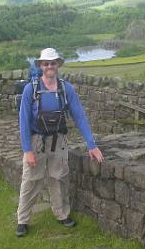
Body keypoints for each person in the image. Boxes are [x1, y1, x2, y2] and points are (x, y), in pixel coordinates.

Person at [16, 47, 104, 237]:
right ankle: (22, 220)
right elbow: (23, 120)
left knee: (59, 178)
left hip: (58, 140)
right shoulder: (30, 89)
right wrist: (27, 149)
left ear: (57, 65)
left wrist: (92, 145)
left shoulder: (66, 88)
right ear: (40, 66)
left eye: (53, 63)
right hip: (36, 139)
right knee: (31, 179)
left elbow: (79, 116)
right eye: (46, 63)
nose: (49, 66)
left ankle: (62, 214)